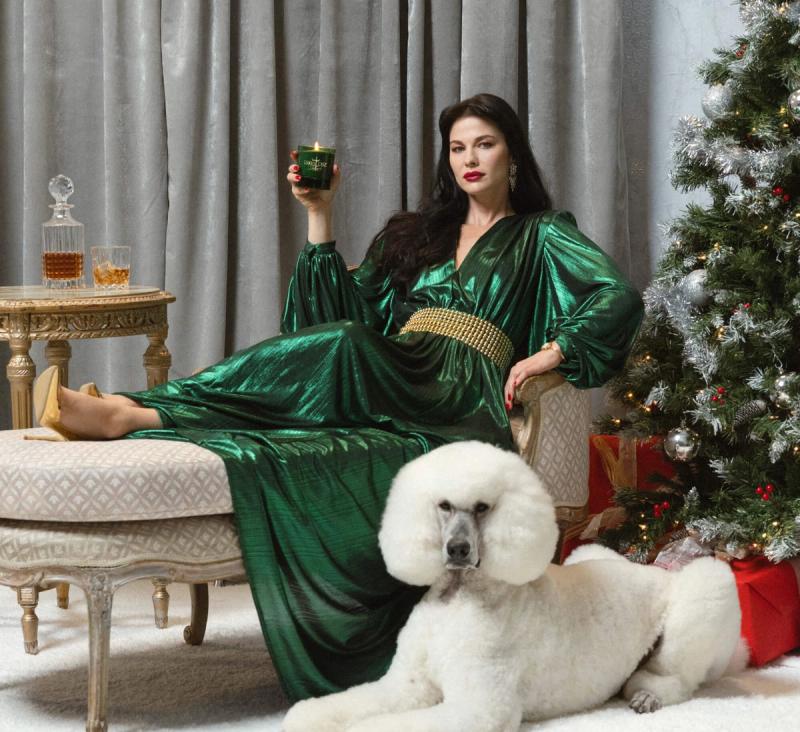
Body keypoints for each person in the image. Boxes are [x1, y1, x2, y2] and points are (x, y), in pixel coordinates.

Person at [31, 93, 644, 701]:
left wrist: (550, 352)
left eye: (485, 144)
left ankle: (140, 408)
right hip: (395, 366)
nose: (469, 159)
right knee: (342, 342)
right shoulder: (417, 234)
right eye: (457, 148)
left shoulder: (541, 234)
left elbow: (616, 294)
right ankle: (140, 410)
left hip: (458, 388)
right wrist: (319, 215)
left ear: (513, 154)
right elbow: (330, 321)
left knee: (347, 344)